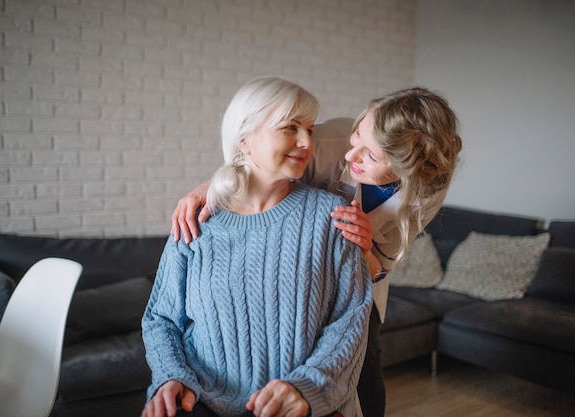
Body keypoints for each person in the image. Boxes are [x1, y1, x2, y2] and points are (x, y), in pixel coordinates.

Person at [170, 86, 463, 417]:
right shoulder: (321, 142)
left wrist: (364, 250)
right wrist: (207, 188)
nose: (351, 156)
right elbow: (256, 171)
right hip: (291, 274)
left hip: (359, 282)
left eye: (369, 155)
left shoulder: (425, 191)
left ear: (405, 171)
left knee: (362, 369)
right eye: (356, 139)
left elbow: (382, 264)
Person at [142, 76, 372, 417]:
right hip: (201, 402)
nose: (306, 141)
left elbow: (351, 318)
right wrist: (170, 377)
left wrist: (306, 387)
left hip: (297, 405)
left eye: (309, 129)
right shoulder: (196, 221)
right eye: (291, 127)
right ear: (244, 140)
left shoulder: (333, 216)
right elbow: (161, 319)